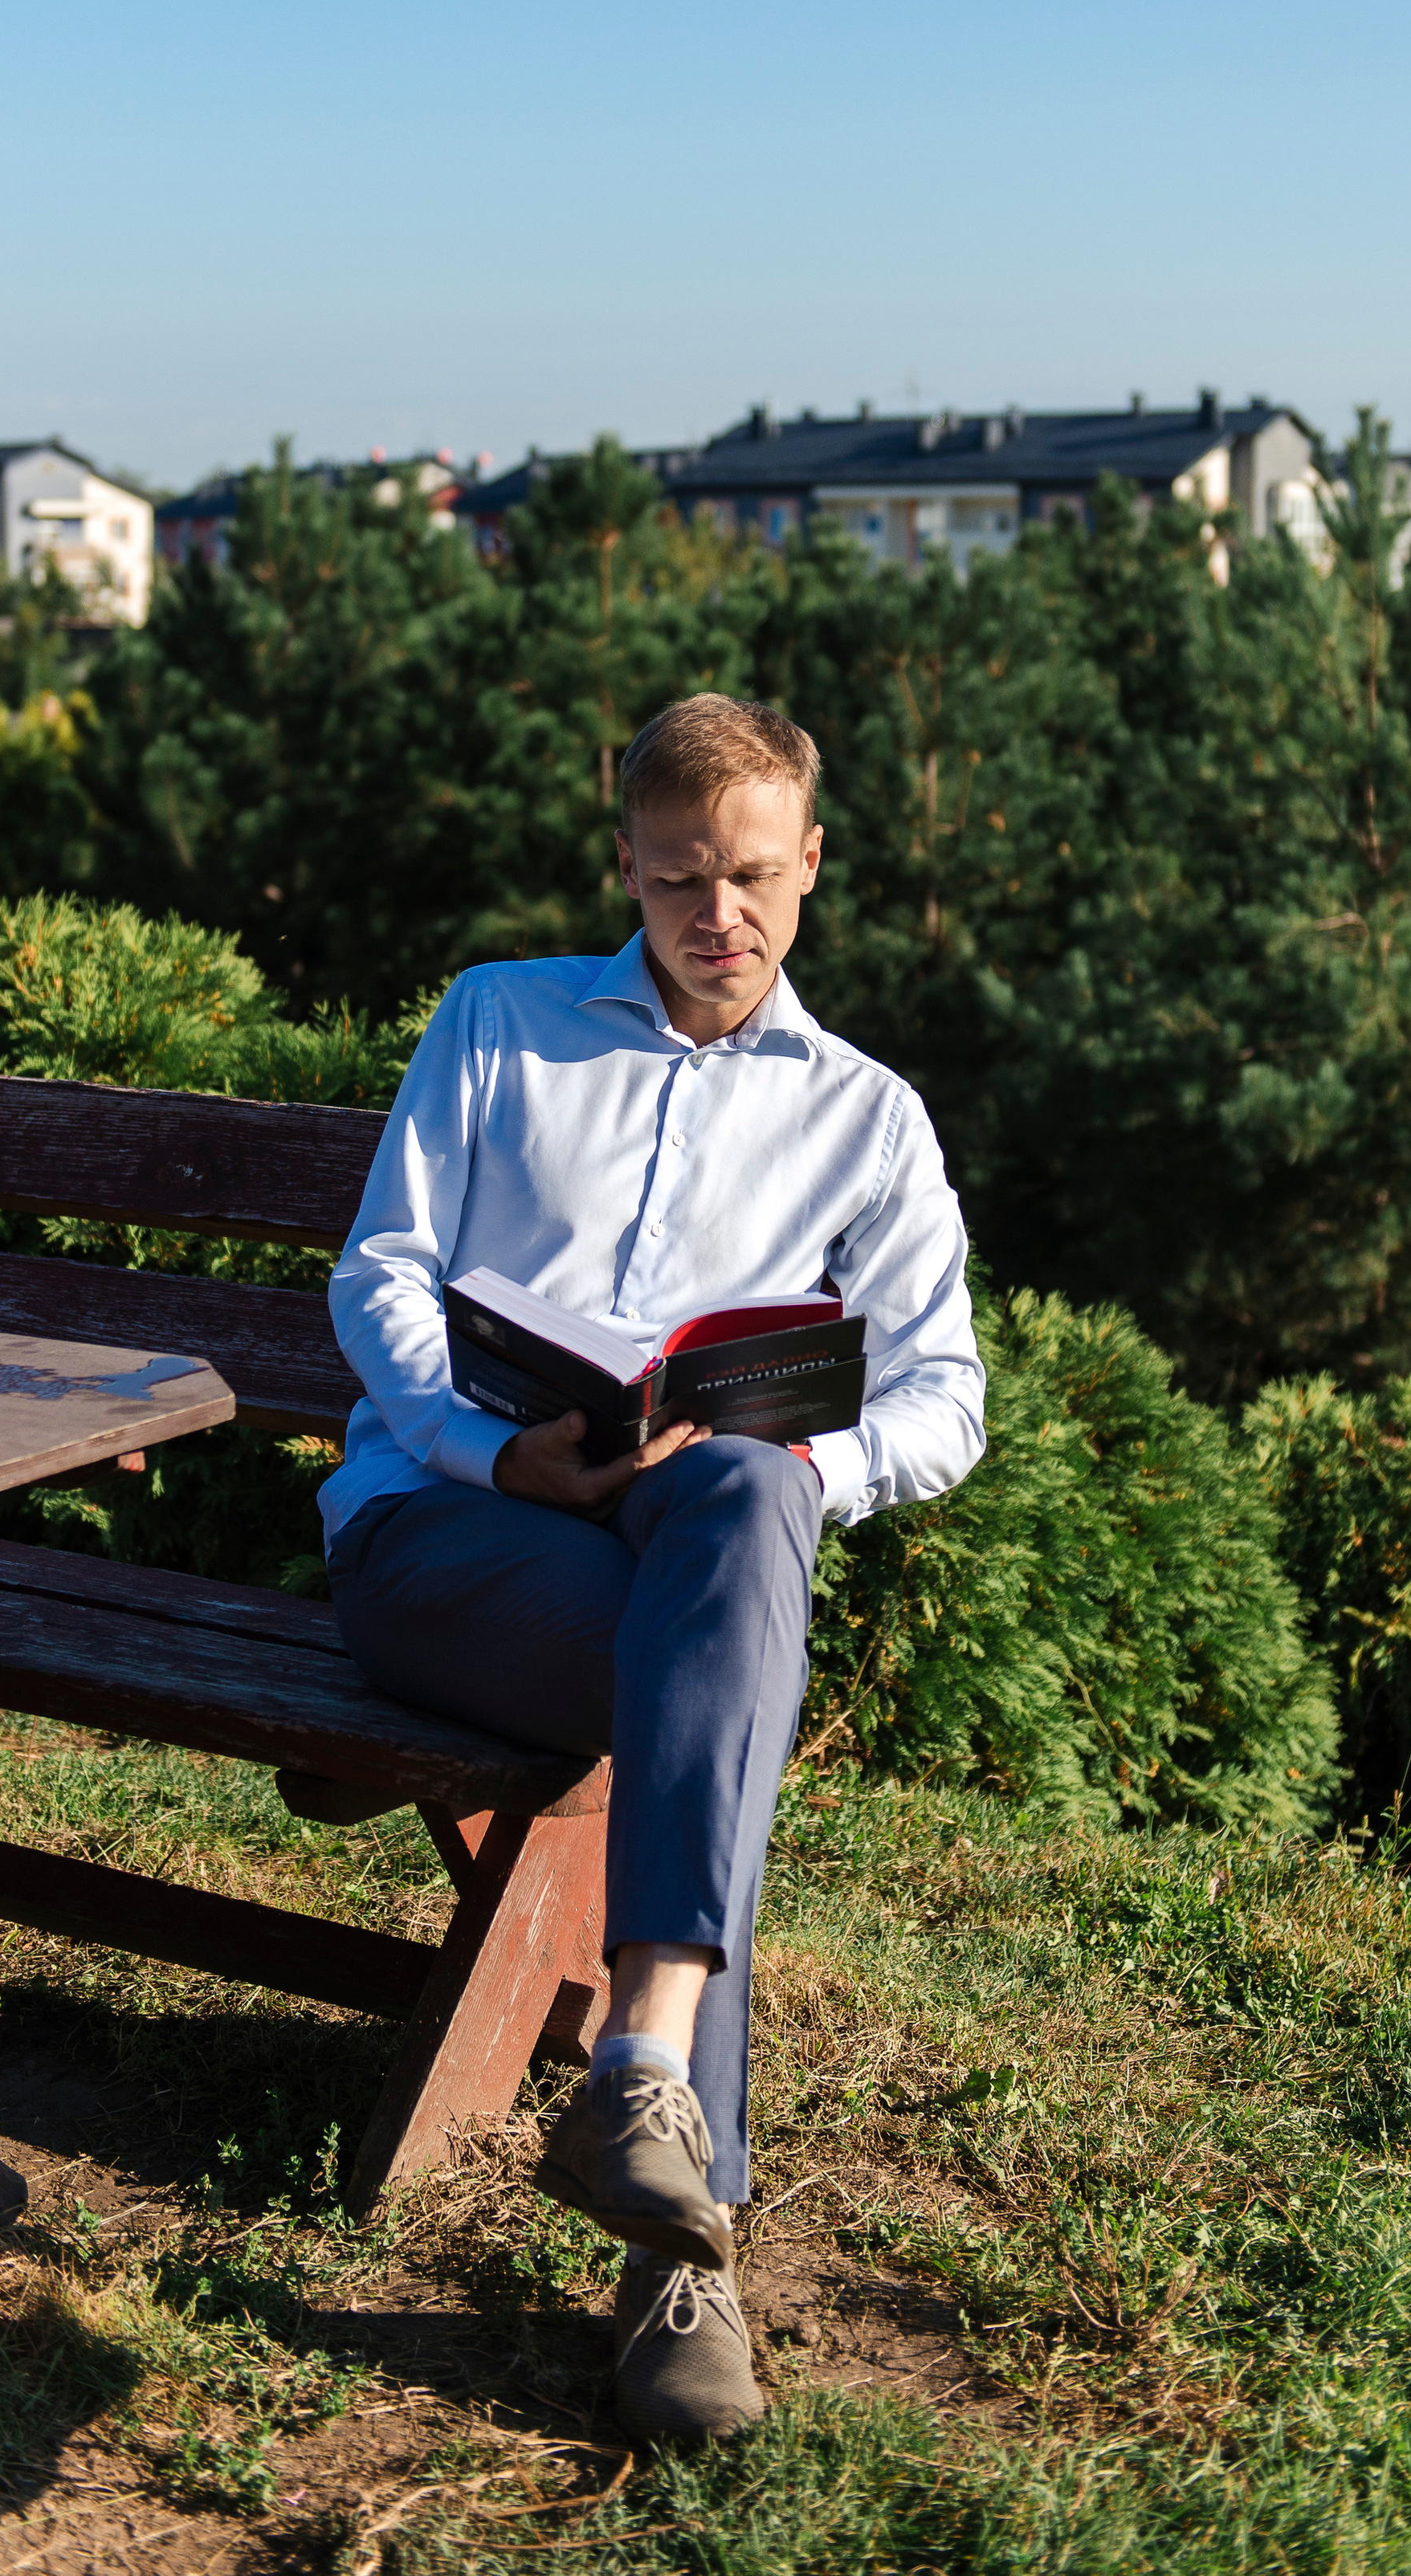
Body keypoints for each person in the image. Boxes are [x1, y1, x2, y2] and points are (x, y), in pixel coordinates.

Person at [319, 692, 985, 2444]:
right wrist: (491, 1449)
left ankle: (641, 2071)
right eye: (681, 876)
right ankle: (685, 2267)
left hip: (684, 1540)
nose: (718, 914)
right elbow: (381, 1271)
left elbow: (944, 1401)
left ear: (811, 863)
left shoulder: (869, 1120)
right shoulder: (500, 1021)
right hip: (444, 1528)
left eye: (752, 875)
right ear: (625, 861)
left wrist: (806, 1463)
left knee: (753, 1507)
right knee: (723, 1684)